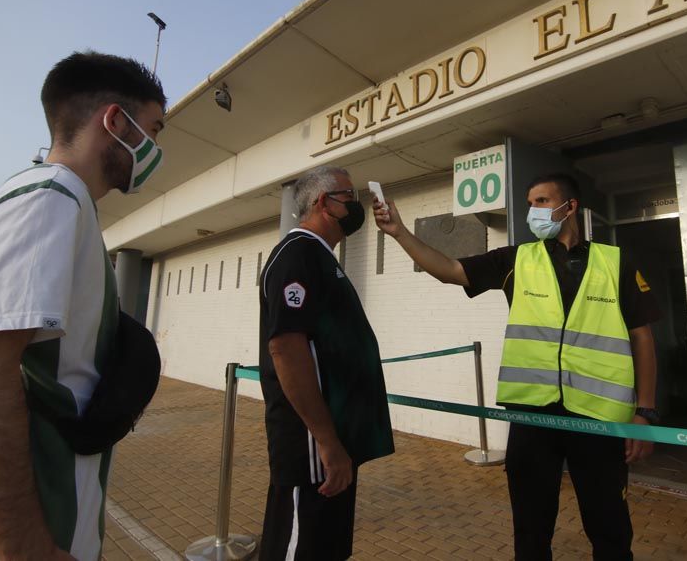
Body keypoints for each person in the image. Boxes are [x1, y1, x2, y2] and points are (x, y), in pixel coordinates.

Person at [0, 51, 166, 561]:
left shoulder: (69, 206)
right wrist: (27, 547)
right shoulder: (48, 198)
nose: (156, 148)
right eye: (154, 129)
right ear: (115, 122)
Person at [374, 173, 660, 561]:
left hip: (600, 419)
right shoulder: (517, 259)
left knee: (610, 529)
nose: (533, 211)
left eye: (541, 201)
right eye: (530, 203)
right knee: (530, 529)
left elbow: (642, 338)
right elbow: (450, 269)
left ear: (570, 206)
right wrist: (399, 232)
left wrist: (644, 412)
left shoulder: (615, 262)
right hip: (533, 418)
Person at [258, 166, 394, 561]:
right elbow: (286, 349)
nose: (357, 207)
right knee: (303, 548)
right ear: (323, 203)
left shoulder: (320, 257)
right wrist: (328, 443)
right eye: (349, 197)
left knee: (329, 549)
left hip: (333, 444)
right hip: (312, 451)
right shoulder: (297, 256)